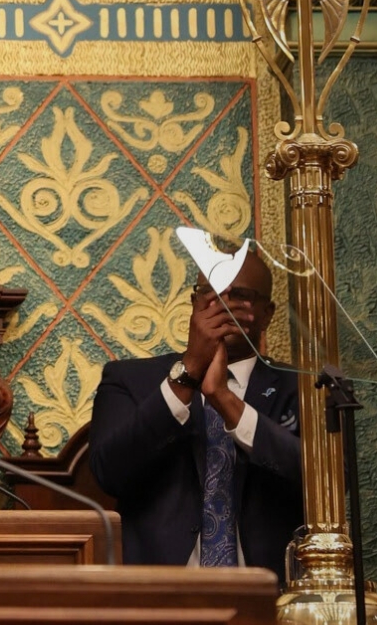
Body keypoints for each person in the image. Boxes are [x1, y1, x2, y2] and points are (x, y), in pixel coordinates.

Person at [89, 248, 303, 584]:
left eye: (241, 295)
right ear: (194, 304)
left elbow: (323, 478)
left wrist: (224, 399)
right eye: (212, 293)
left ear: (267, 313)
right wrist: (187, 375)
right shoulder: (128, 379)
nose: (223, 304)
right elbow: (109, 472)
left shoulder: (304, 386)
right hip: (157, 602)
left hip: (273, 600)